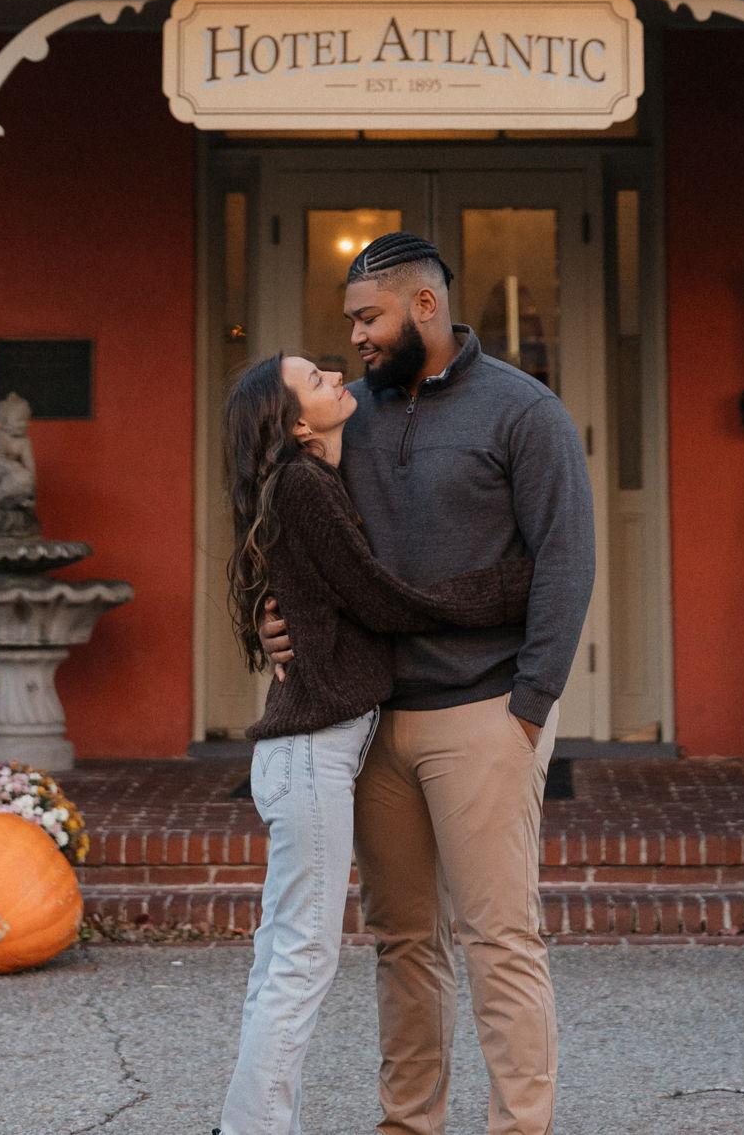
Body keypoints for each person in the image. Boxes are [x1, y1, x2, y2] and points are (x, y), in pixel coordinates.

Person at [259, 231, 595, 1135]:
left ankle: (519, 1128)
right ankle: (408, 1125)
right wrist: (270, 620)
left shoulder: (525, 412)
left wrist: (530, 708)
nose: (355, 338)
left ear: (424, 305)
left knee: (499, 939)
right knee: (404, 944)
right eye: (350, 321)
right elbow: (296, 536)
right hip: (372, 725)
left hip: (485, 714)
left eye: (367, 318)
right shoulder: (350, 417)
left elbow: (566, 561)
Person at [217, 350, 534, 1135]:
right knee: (301, 960)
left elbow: (318, 599)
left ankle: (250, 1125)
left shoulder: (308, 483)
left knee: (281, 957)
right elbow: (381, 600)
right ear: (297, 424)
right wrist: (501, 589)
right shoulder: (303, 485)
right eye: (316, 380)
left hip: (307, 753)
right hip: (310, 754)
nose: (337, 376)